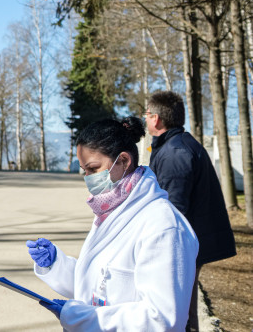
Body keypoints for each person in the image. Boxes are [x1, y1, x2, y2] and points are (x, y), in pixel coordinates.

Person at [26, 117, 198, 331]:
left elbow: (161, 319)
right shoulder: (113, 210)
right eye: (84, 171)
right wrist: (56, 265)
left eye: (93, 168)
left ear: (124, 161)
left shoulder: (164, 227)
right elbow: (101, 284)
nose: (87, 178)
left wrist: (81, 318)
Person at [146, 90, 236, 331]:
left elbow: (174, 209)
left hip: (184, 244)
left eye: (146, 114)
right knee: (183, 306)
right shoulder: (175, 145)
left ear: (156, 118)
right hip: (191, 241)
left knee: (180, 311)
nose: (144, 119)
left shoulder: (176, 152)